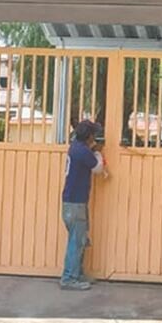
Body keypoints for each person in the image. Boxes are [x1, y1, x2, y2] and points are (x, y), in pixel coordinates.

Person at [60, 119, 106, 290]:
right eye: (94, 134)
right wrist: (98, 153)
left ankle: (77, 274)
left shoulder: (76, 148)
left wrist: (92, 150)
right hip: (76, 203)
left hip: (72, 203)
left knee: (79, 239)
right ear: (89, 136)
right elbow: (98, 168)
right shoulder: (82, 152)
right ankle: (69, 278)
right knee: (76, 241)